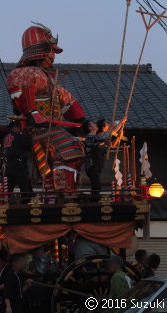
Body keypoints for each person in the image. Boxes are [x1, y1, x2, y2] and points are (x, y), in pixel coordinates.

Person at [7, 23, 86, 194]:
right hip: (34, 129)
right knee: (68, 150)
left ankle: (59, 194)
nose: (53, 56)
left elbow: (68, 101)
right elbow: (20, 86)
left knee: (76, 149)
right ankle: (63, 194)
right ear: (40, 51)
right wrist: (32, 112)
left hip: (50, 127)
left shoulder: (50, 82)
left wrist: (82, 121)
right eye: (51, 51)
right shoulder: (25, 73)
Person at [84, 116, 127, 199]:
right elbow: (112, 131)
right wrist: (122, 120)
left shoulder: (98, 138)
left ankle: (95, 200)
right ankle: (95, 201)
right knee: (96, 186)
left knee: (96, 185)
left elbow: (110, 146)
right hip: (92, 164)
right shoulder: (93, 136)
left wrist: (118, 137)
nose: (95, 124)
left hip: (96, 164)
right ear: (90, 128)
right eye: (93, 124)